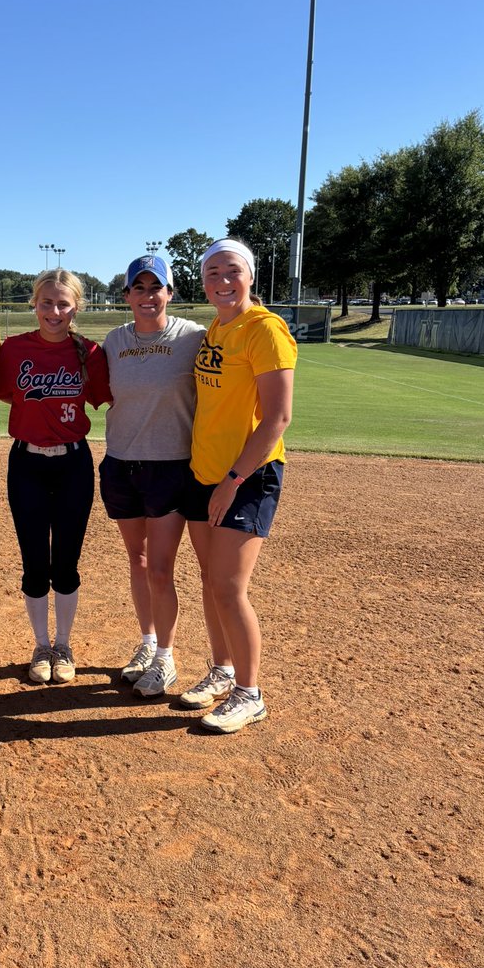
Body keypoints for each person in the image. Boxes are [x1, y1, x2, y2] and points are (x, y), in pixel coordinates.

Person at [180, 238, 297, 733]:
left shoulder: (264, 329)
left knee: (229, 587)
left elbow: (277, 419)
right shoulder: (218, 326)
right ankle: (223, 671)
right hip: (204, 471)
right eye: (212, 274)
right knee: (211, 583)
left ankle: (251, 693)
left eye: (232, 272)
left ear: (250, 275)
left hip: (246, 476)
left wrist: (232, 480)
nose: (222, 282)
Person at [0, 269, 111, 683]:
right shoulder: (14, 349)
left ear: (77, 306)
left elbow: (113, 401)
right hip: (27, 464)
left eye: (63, 303)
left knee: (67, 563)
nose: (54, 311)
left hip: (73, 465)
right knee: (34, 561)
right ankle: (41, 645)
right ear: (34, 305)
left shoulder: (89, 352)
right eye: (46, 303)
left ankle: (64, 643)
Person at [100, 254, 206, 697]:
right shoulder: (113, 341)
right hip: (122, 463)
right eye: (138, 288)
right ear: (126, 295)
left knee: (161, 569)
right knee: (138, 561)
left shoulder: (193, 337)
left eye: (155, 287)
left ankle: (166, 657)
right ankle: (146, 644)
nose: (148, 296)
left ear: (170, 292)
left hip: (170, 465)